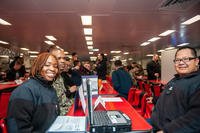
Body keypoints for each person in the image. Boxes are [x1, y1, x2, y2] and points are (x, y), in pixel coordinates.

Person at [7, 52, 60, 132]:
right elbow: (18, 130)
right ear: (38, 66)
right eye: (47, 65)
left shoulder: (50, 89)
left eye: (55, 66)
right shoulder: (24, 91)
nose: (53, 69)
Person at [151, 46, 200, 133]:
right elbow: (173, 99)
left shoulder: (197, 82)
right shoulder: (176, 79)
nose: (181, 63)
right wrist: (155, 99)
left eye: (186, 59)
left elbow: (195, 118)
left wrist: (166, 131)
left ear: (196, 61)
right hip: (153, 125)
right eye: (177, 60)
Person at [49, 46, 77, 115]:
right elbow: (54, 110)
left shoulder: (60, 76)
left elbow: (64, 101)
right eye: (59, 58)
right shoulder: (49, 78)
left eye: (64, 58)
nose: (63, 61)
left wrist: (77, 102)